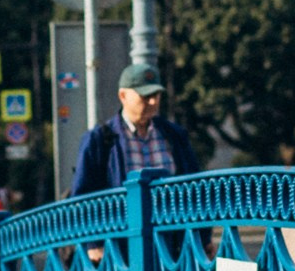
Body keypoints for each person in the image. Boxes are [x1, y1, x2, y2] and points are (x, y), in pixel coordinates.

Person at [67, 64, 203, 198]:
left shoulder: (175, 135)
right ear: (123, 96)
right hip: (121, 219)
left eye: (156, 95)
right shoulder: (98, 140)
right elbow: (81, 199)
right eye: (145, 96)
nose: (153, 102)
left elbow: (195, 185)